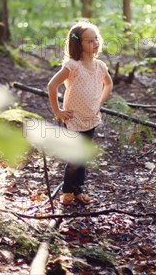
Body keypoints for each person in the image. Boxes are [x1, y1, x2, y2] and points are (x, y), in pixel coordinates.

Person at [47, 21, 113, 206]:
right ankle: (67, 190)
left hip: (91, 117)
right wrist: (57, 111)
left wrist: (100, 102)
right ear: (78, 44)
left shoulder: (100, 66)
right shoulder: (73, 66)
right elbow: (52, 85)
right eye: (89, 40)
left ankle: (79, 190)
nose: (95, 43)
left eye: (96, 39)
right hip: (74, 118)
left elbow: (108, 84)